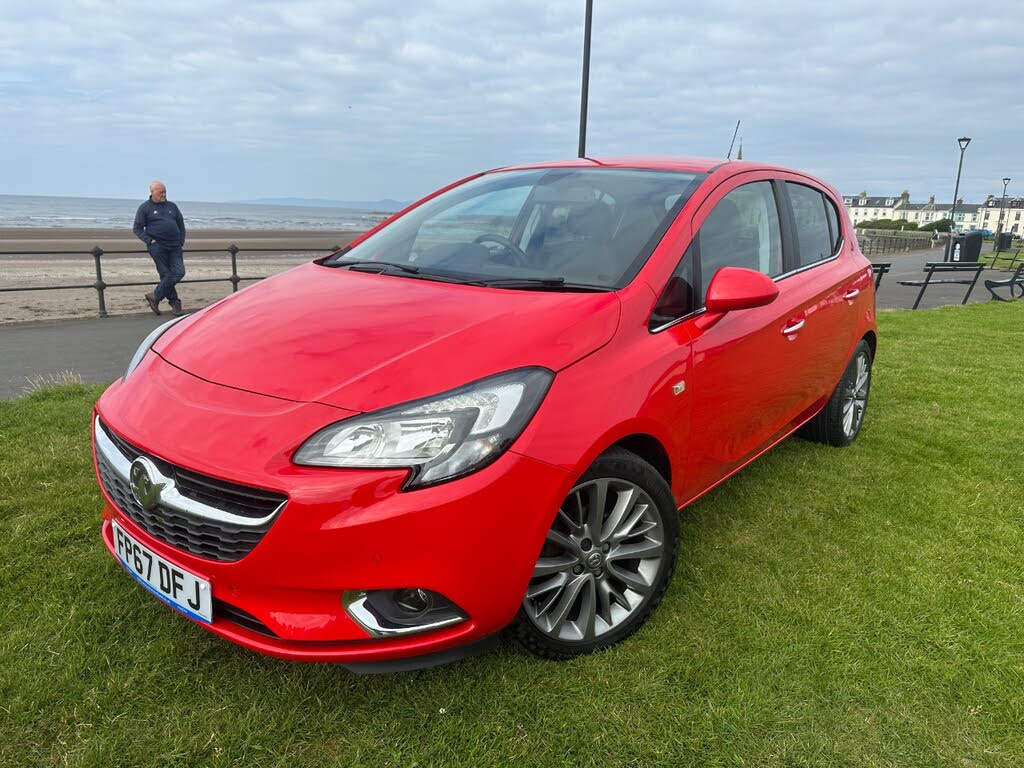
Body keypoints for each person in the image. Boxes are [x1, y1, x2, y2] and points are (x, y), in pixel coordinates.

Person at [133, 181, 186, 316]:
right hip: (158, 246)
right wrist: (149, 241)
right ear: (152, 192)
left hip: (175, 246)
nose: (164, 195)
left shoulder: (172, 206)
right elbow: (137, 228)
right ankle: (175, 303)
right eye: (160, 192)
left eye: (165, 192)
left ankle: (155, 296)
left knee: (179, 272)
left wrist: (181, 241)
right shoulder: (145, 208)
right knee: (166, 274)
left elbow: (180, 223)